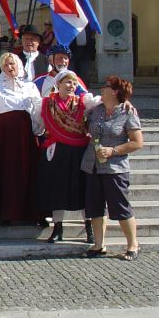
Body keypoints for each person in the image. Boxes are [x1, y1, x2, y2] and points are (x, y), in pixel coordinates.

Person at [32, 70, 101, 244]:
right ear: (59, 84)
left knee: (83, 189)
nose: (72, 86)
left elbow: (105, 105)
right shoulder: (47, 104)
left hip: (79, 150)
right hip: (57, 150)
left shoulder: (83, 103)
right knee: (57, 188)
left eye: (74, 83)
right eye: (68, 83)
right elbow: (38, 127)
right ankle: (58, 228)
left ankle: (89, 228)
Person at [83, 76, 144, 261]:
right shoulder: (96, 110)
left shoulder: (127, 113)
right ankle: (99, 245)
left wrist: (113, 150)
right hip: (92, 164)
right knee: (94, 207)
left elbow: (137, 142)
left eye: (105, 87)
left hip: (115, 168)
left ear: (115, 91)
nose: (101, 89)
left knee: (120, 207)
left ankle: (133, 244)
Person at [0, 52, 42, 225]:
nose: (10, 68)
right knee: (6, 171)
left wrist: (38, 127)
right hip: (5, 134)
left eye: (13, 64)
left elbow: (38, 107)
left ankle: (30, 212)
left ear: (19, 65)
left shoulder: (29, 86)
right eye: (6, 65)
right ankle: (6, 213)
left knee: (27, 170)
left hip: (25, 133)